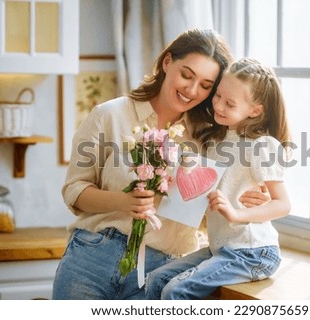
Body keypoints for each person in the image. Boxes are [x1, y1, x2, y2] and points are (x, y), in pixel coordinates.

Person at [52, 29, 267, 300]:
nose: (191, 90)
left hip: (160, 272)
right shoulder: (110, 115)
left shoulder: (212, 136)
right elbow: (74, 190)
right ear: (167, 62)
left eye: (205, 85)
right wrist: (122, 201)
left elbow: (220, 200)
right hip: (90, 261)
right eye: (186, 75)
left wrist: (253, 197)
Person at [145, 57, 291, 300]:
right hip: (221, 249)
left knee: (174, 291)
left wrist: (237, 214)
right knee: (156, 280)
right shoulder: (217, 143)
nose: (219, 106)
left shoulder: (262, 146)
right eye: (218, 96)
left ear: (255, 110)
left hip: (253, 253)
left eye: (229, 103)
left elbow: (283, 204)